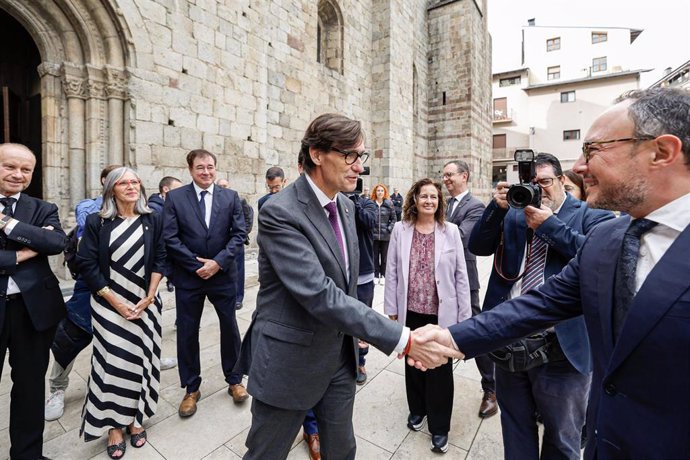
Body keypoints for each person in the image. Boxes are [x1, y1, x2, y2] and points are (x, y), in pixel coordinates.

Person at [414, 87, 690, 459]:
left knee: (560, 440)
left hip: (570, 361)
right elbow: (538, 303)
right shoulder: (612, 237)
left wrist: (548, 226)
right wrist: (451, 338)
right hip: (519, 355)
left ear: (662, 152)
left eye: (593, 150)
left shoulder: (594, 223)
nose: (579, 166)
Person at [241, 113, 459, 459]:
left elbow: (346, 285)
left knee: (342, 450)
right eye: (350, 155)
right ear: (316, 154)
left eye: (362, 157)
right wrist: (402, 338)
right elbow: (319, 293)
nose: (359, 166)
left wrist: (357, 330)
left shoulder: (345, 206)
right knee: (267, 453)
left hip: (339, 360)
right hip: (290, 361)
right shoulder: (280, 212)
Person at [466, 152, 614, 459]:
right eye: (531, 183)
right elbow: (478, 246)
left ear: (561, 180)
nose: (539, 189)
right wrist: (497, 206)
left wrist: (550, 226)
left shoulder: (591, 213)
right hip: (510, 337)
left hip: (562, 344)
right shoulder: (515, 211)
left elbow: (600, 259)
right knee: (515, 429)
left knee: (562, 437)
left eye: (545, 182)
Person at [77, 167, 166, 458]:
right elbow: (86, 264)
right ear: (111, 189)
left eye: (135, 182)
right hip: (108, 305)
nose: (130, 186)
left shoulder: (152, 219)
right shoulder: (96, 222)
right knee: (111, 363)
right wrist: (116, 302)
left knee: (142, 360)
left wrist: (150, 296)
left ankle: (135, 419)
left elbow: (162, 258)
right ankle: (113, 425)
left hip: (145, 304)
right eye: (123, 182)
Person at [384, 178, 471, 453]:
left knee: (440, 370)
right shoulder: (401, 229)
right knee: (413, 364)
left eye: (434, 197)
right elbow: (393, 270)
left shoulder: (451, 231)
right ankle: (417, 410)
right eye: (424, 196)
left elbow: (460, 274)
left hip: (441, 313)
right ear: (415, 199)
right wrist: (391, 310)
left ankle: (440, 426)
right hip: (410, 309)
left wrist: (464, 316)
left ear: (439, 202)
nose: (429, 201)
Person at [163, 149, 248, 417]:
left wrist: (218, 263)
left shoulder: (230, 197)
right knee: (188, 332)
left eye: (210, 167)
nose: (206, 172)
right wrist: (196, 264)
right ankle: (191, 388)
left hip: (222, 276)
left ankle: (234, 380)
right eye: (200, 167)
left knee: (230, 328)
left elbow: (240, 234)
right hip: (189, 278)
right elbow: (170, 236)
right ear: (190, 170)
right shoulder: (176, 198)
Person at [0, 143, 68, 459]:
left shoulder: (42, 207)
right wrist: (19, 254)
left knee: (29, 387)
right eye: (9, 166)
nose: (18, 174)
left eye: (25, 169)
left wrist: (7, 224)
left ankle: (28, 455)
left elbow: (55, 241)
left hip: (34, 312)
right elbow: (40, 241)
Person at [45, 164, 120, 422]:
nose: (123, 183)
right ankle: (56, 389)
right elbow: (89, 247)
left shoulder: (139, 210)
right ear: (103, 181)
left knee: (120, 339)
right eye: (115, 178)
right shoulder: (90, 208)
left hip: (124, 287)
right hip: (91, 284)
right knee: (72, 336)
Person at [442, 159, 495, 418]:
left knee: (476, 332)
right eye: (444, 176)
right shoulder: (444, 205)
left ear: (465, 176)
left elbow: (460, 238)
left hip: (464, 280)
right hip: (440, 280)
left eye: (450, 175)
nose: (446, 179)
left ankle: (491, 388)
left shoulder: (475, 206)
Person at [350, 190, 378, 385]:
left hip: (363, 274)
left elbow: (369, 221)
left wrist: (354, 202)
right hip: (341, 274)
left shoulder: (366, 204)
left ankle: (360, 361)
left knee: (361, 322)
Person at [217, 178, 254, 310]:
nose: (223, 188)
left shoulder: (239, 200)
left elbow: (248, 219)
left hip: (236, 243)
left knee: (238, 271)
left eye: (225, 185)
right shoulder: (215, 202)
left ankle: (238, 298)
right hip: (221, 244)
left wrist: (241, 235)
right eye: (220, 186)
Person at [371, 183, 396, 283]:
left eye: (381, 191)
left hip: (386, 236)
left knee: (385, 257)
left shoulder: (389, 204)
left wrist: (389, 229)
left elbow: (394, 218)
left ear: (384, 192)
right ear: (375, 192)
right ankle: (376, 275)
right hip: (374, 235)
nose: (380, 192)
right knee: (375, 256)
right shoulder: (371, 204)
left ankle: (384, 275)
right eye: (378, 191)